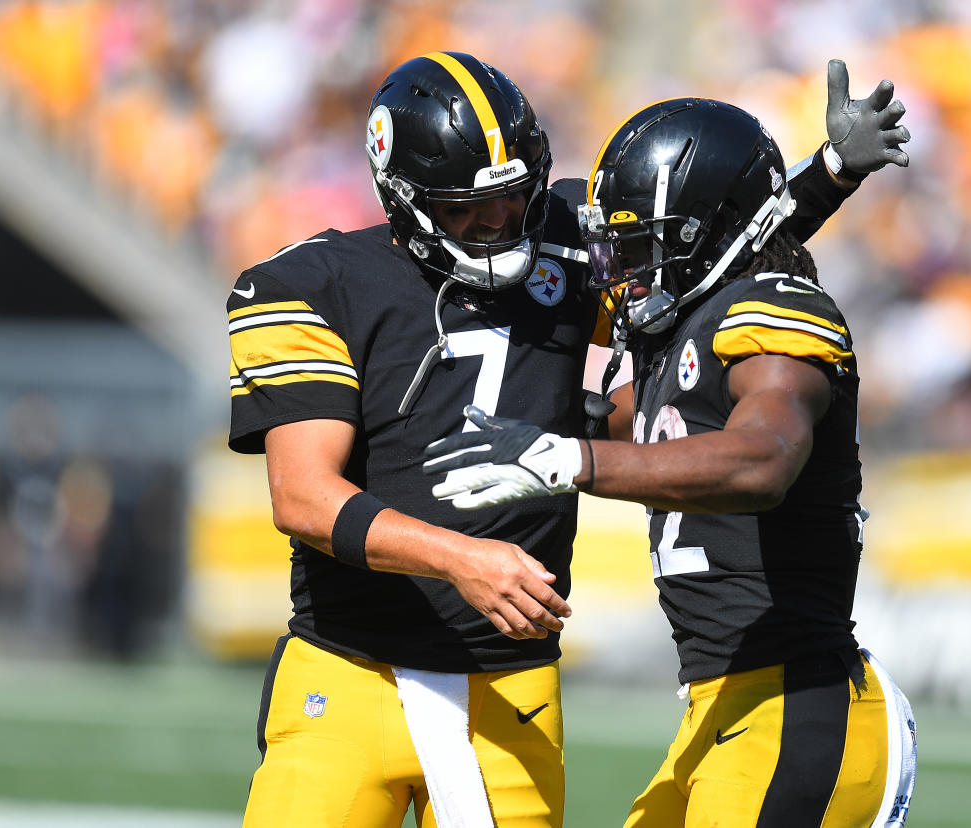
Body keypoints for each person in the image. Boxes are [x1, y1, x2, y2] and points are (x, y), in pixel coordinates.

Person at [227, 50, 909, 827]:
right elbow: (305, 497)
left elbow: (693, 245)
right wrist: (463, 560)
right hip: (346, 671)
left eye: (515, 196)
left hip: (508, 689)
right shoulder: (308, 284)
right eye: (464, 208)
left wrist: (824, 179)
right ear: (406, 201)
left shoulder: (559, 236)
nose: (498, 222)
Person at [424, 97, 917, 827]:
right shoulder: (681, 332)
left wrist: (569, 458)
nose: (619, 271)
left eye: (644, 247)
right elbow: (736, 238)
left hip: (796, 707)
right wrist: (830, 173)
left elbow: (763, 461)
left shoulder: (774, 309)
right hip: (720, 713)